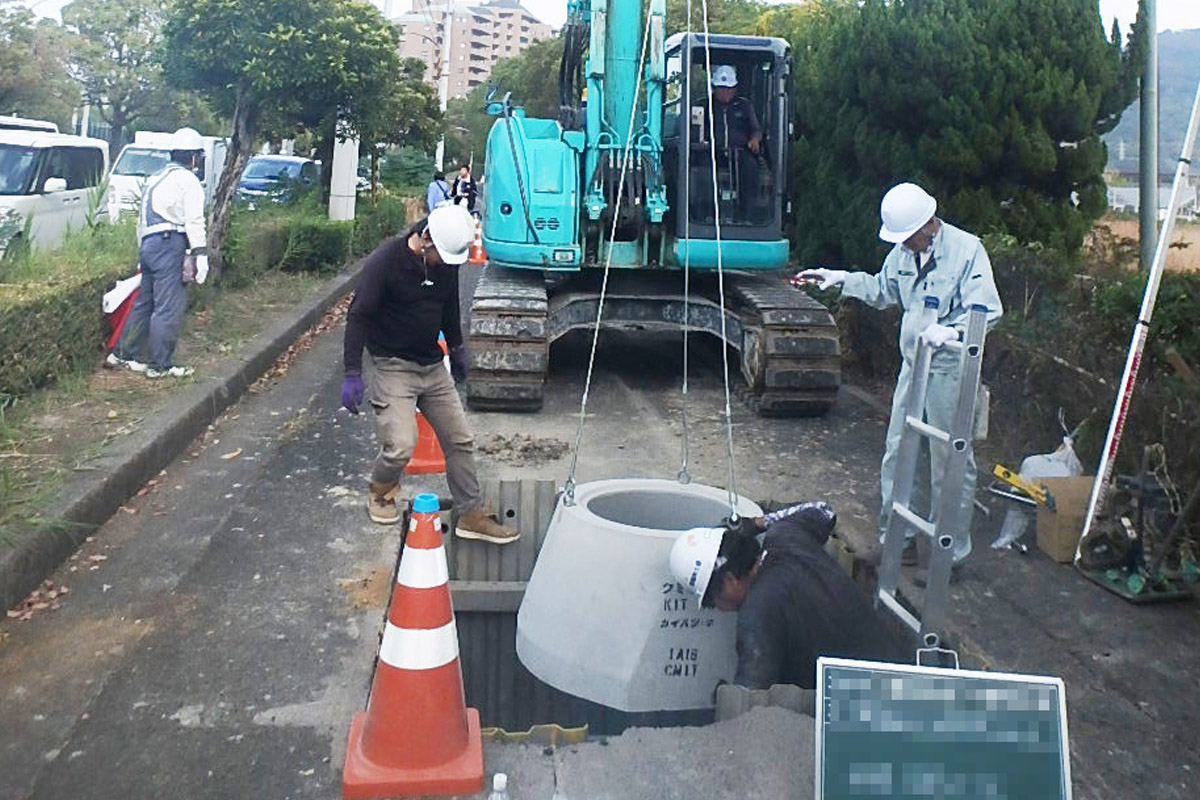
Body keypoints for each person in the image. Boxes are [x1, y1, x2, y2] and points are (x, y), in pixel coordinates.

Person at [796, 182, 1003, 583]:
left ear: (928, 224)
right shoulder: (905, 252)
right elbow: (883, 288)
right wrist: (842, 279)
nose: (903, 244)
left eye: (906, 236)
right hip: (915, 365)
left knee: (950, 459)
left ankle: (950, 555)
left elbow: (988, 310)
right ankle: (899, 541)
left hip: (951, 369)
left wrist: (955, 331)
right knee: (898, 452)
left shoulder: (966, 250)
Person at [340, 203, 518, 544]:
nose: (445, 266)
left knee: (460, 440)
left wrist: (459, 348)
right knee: (400, 445)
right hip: (392, 365)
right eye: (442, 257)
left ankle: (469, 513)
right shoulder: (385, 263)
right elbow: (359, 316)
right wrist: (352, 372)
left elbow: (448, 307)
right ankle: (380, 490)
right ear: (425, 240)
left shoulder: (444, 266)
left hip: (432, 366)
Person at [669, 501, 908, 690]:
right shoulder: (785, 535)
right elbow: (822, 510)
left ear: (730, 579)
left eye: (712, 601)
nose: (717, 607)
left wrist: (728, 701)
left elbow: (752, 698)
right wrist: (758, 523)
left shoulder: (757, 615)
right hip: (901, 669)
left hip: (872, 707)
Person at [105, 127, 208, 379]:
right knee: (167, 306)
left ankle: (121, 353)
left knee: (144, 302)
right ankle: (159, 365)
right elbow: (194, 220)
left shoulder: (155, 176)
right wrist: (201, 255)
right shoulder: (188, 180)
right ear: (193, 157)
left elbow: (142, 219)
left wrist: (144, 251)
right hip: (169, 242)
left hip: (149, 243)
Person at [708, 64, 761, 156]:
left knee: (752, 166)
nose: (725, 92)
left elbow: (756, 130)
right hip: (709, 154)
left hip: (741, 154)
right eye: (721, 88)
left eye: (729, 88)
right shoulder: (704, 106)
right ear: (714, 88)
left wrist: (755, 140)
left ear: (735, 89)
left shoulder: (745, 106)